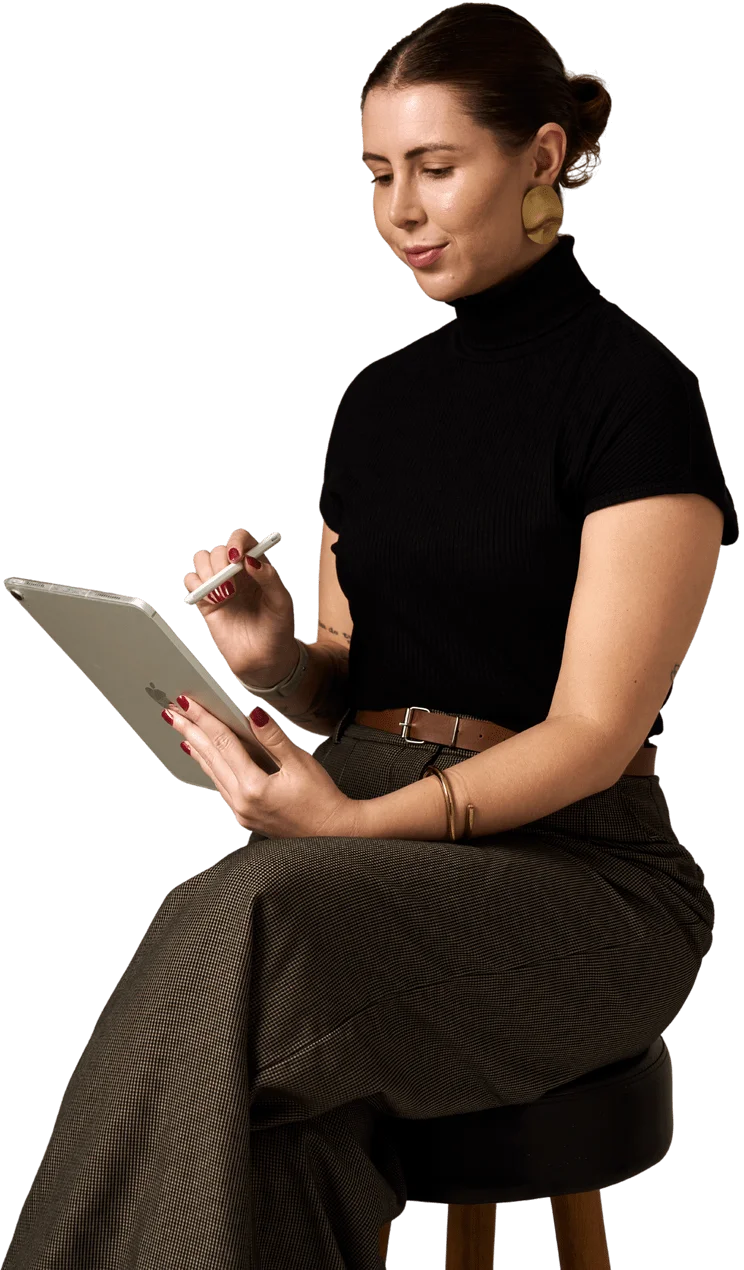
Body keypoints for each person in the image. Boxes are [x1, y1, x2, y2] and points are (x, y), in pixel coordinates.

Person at [4, 6, 737, 1270]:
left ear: (542, 158)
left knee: (252, 911)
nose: (400, 211)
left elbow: (592, 732)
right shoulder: (377, 406)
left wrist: (350, 829)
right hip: (382, 841)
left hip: (582, 875)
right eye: (377, 174)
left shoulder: (637, 399)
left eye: (436, 168)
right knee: (273, 1126)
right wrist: (275, 660)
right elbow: (347, 688)